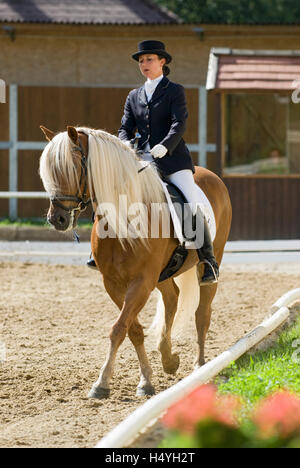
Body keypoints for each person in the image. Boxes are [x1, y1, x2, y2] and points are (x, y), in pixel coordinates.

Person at [88, 40, 218, 285]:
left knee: (191, 200)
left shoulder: (174, 90)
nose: (144, 64)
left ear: (162, 62)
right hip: (141, 160)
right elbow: (124, 128)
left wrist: (164, 146)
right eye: (141, 61)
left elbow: (179, 124)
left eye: (149, 60)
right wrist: (126, 147)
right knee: (111, 193)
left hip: (172, 161)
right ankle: (97, 252)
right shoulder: (134, 96)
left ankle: (208, 260)